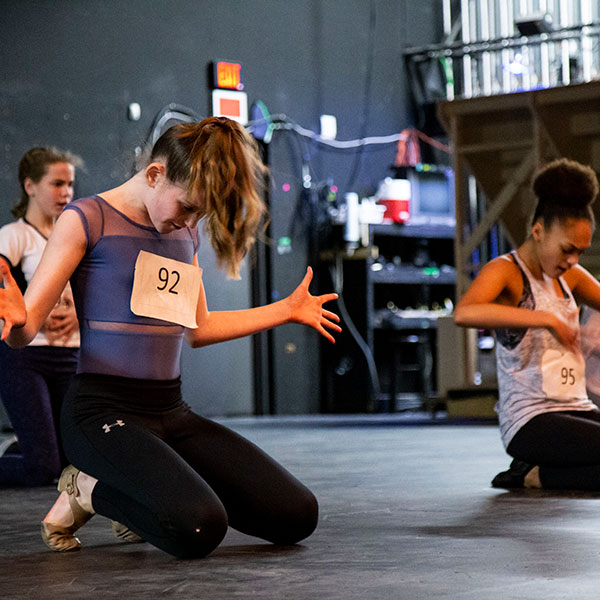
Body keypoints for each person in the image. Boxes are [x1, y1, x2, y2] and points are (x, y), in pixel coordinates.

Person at [0, 117, 341, 558]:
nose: (190, 220)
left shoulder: (184, 231)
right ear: (155, 175)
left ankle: (129, 490)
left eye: (199, 213)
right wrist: (13, 322)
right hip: (99, 413)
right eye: (186, 207)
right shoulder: (86, 219)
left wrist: (286, 310)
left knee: (297, 515)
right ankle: (86, 489)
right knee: (198, 527)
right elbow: (26, 333)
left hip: (169, 411)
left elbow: (198, 331)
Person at [454, 157, 600, 491]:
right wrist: (545, 319)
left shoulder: (571, 277)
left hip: (577, 408)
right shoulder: (507, 271)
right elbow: (465, 313)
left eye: (580, 252)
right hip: (531, 421)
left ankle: (543, 473)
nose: (572, 260)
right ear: (538, 231)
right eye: (567, 249)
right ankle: (534, 474)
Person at [0, 147, 81, 486]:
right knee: (43, 469)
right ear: (30, 186)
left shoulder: (74, 234)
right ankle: (29, 451)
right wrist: (31, 313)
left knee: (70, 460)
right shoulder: (14, 236)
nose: (66, 192)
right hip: (26, 357)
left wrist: (77, 314)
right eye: (57, 183)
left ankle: (27, 445)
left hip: (71, 355)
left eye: (70, 184)